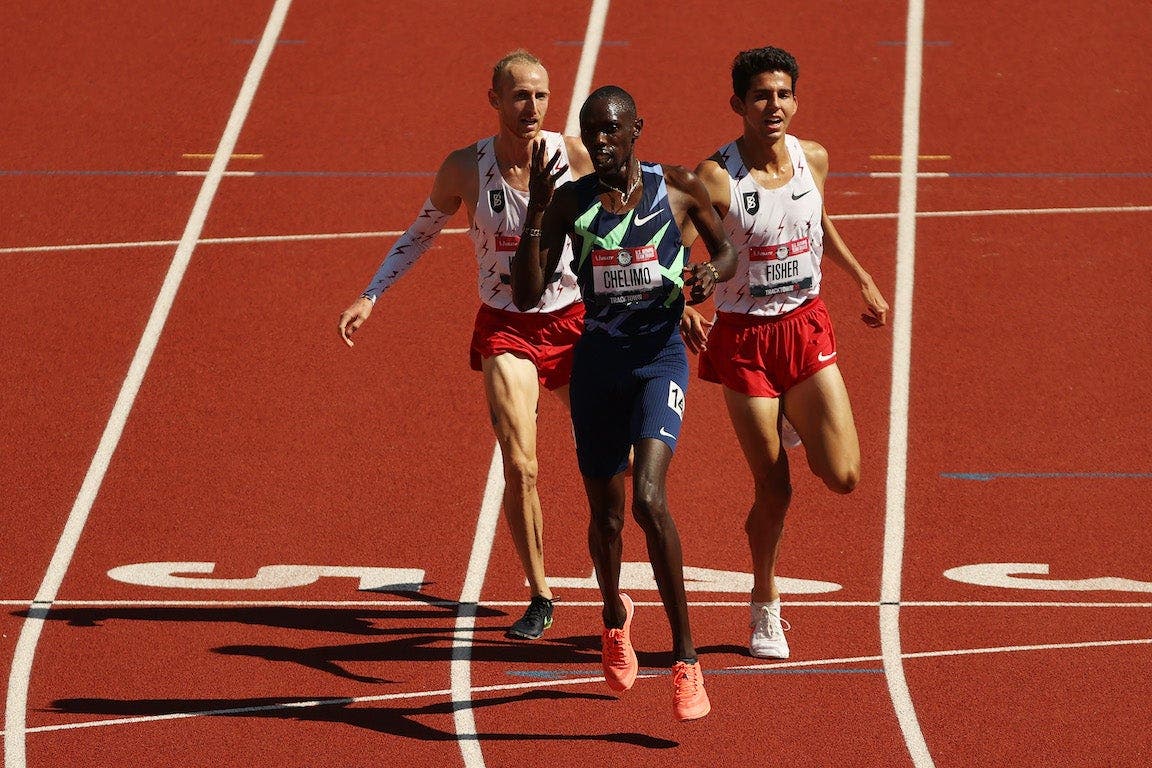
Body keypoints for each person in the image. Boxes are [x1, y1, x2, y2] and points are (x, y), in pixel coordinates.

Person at [337, 50, 593, 641]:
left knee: (620, 462)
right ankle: (541, 595)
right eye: (520, 96)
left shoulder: (573, 156)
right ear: (495, 100)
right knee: (521, 464)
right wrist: (370, 296)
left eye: (541, 96)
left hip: (575, 322)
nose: (532, 107)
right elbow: (420, 233)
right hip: (506, 327)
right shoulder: (463, 168)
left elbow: (635, 213)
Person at [511, 85, 737, 721]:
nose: (602, 142)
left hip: (659, 362)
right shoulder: (568, 203)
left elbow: (724, 250)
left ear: (637, 129)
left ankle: (687, 659)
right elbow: (528, 296)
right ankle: (613, 613)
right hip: (598, 370)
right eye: (591, 132)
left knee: (648, 500)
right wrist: (533, 214)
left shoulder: (681, 188)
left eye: (612, 130)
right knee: (606, 515)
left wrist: (709, 275)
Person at [684, 45, 890, 659]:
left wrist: (862, 278)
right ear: (738, 104)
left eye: (783, 95)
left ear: (795, 100)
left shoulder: (814, 158)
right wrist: (683, 303)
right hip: (744, 337)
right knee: (774, 490)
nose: (773, 106)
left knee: (845, 477)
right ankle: (765, 604)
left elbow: (817, 224)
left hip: (806, 327)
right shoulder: (716, 177)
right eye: (760, 96)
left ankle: (794, 420)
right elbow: (671, 249)